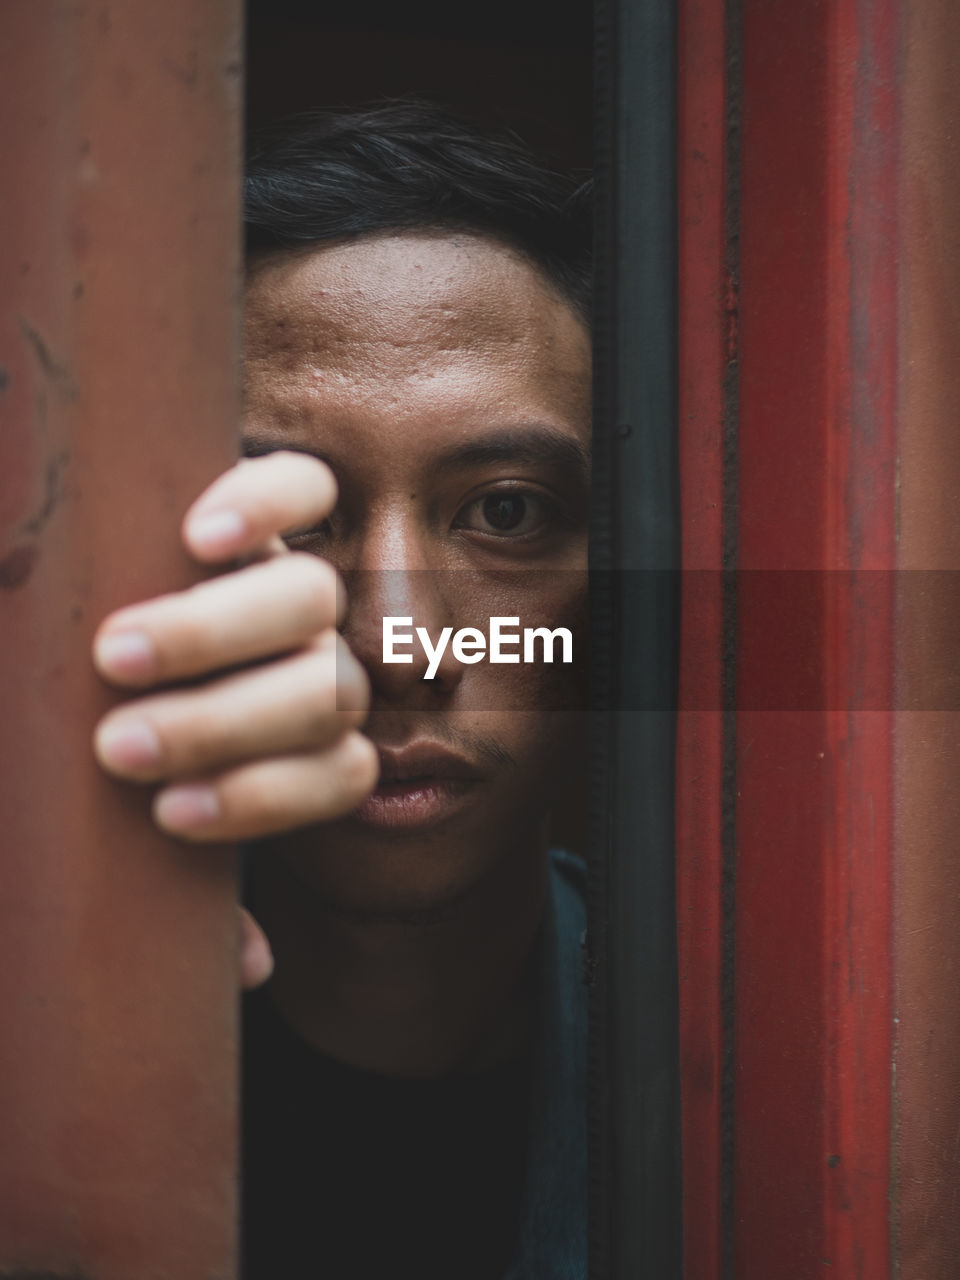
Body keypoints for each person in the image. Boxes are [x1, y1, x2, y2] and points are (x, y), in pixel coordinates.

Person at [91, 102, 592, 1279]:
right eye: (301, 516)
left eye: (506, 511)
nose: (399, 643)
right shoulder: (49, 1032)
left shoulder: (753, 1060)